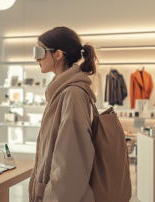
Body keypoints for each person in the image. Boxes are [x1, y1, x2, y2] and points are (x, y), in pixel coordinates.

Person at [29, 26, 99, 202]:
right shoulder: (61, 93)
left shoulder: (72, 94)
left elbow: (70, 163)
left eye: (39, 51)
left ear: (58, 54)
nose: (36, 58)